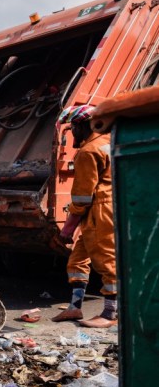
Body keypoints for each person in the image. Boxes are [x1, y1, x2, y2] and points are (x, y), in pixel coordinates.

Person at [52, 105, 116, 328]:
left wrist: (67, 229)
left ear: (82, 126)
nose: (72, 135)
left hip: (100, 210)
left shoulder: (88, 152)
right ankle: (75, 307)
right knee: (78, 258)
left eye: (73, 129)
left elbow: (82, 198)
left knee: (107, 262)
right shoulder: (108, 143)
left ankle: (110, 314)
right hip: (102, 210)